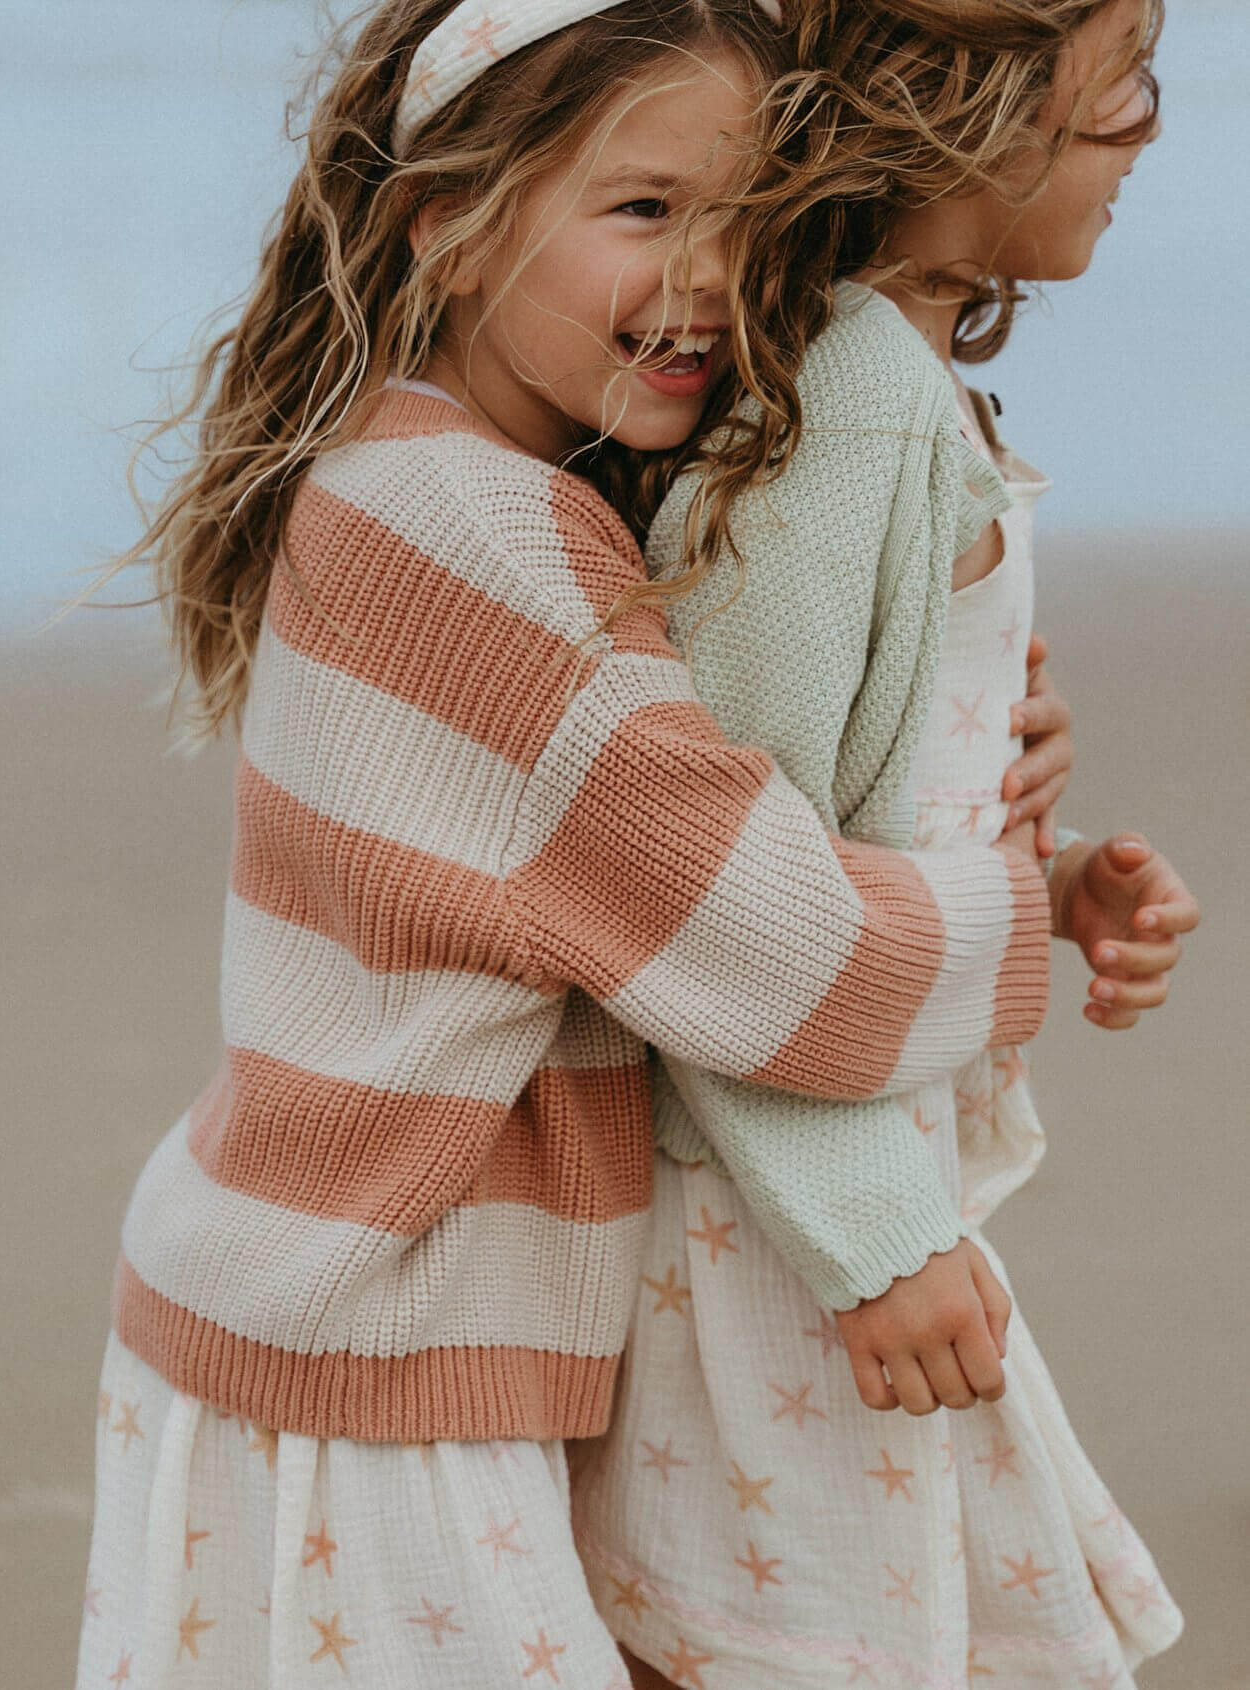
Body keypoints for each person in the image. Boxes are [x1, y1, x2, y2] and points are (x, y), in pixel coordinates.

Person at [73, 4, 1076, 1687]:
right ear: (447, 227)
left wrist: (988, 745)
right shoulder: (475, 534)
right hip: (371, 1353)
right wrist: (1015, 907)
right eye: (645, 209)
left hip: (318, 1323)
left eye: (750, 222)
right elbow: (766, 939)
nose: (712, 276)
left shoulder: (434, 477)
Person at [570, 2, 1199, 1686]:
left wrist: (1042, 890)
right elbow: (722, 889)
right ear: (961, 104)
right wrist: (871, 1231)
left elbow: (859, 800)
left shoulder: (893, 384)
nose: (1151, 129)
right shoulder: (852, 405)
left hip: (839, 1193)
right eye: (1123, 75)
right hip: (787, 1219)